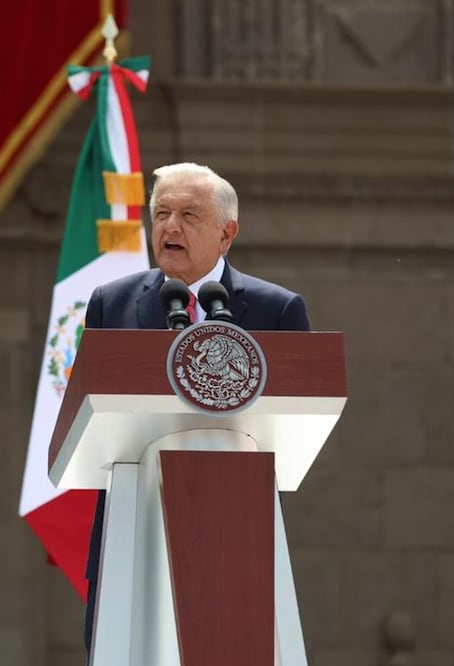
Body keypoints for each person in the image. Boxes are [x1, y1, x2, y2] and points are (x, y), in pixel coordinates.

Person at [81, 162, 311, 651]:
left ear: (227, 233)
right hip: (132, 528)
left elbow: (299, 416)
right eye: (161, 213)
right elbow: (86, 408)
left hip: (237, 534)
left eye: (188, 214)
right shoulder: (111, 303)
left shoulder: (278, 310)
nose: (170, 227)